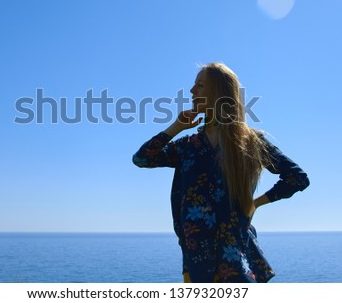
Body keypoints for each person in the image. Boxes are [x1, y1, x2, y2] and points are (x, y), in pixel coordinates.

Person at [132, 62, 310, 283]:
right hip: (196, 259)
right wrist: (175, 127)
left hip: (234, 258)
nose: (191, 91)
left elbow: (297, 178)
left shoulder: (250, 142)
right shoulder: (188, 145)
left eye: (200, 85)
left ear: (218, 92)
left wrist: (255, 203)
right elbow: (142, 158)